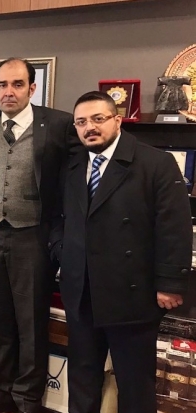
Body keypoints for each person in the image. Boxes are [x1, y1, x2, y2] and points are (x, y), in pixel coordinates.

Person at [50, 91, 192, 413]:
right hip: (81, 292)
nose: (89, 127)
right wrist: (62, 250)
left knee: (135, 383)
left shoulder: (155, 163)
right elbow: (57, 216)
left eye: (98, 119)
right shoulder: (72, 166)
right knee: (82, 377)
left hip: (132, 295)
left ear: (117, 120)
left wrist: (170, 282)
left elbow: (175, 227)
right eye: (81, 122)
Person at [0, 58, 78, 413]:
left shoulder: (58, 124)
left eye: (17, 84)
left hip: (33, 236)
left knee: (31, 321)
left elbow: (82, 166)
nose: (9, 91)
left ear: (32, 88)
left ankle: (28, 398)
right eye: (2, 84)